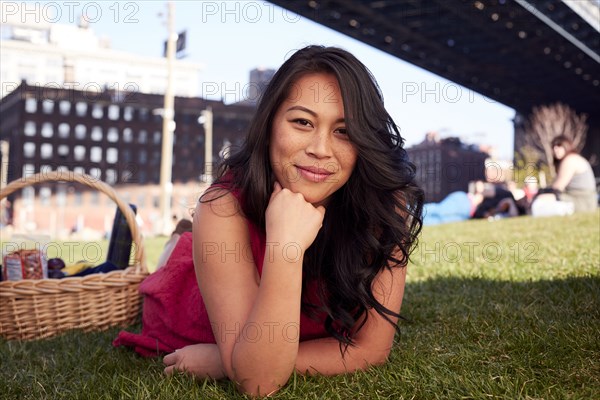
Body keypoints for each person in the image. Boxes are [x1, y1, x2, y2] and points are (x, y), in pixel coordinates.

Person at [162, 45, 423, 396]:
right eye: (302, 122)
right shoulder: (223, 206)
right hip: (197, 296)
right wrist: (285, 247)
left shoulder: (384, 208)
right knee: (180, 255)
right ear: (270, 123)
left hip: (243, 334)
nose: (320, 148)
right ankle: (177, 246)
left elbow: (371, 349)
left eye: (343, 131)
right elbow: (259, 385)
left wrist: (228, 362)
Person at [550, 135, 597, 212]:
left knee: (544, 200)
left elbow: (558, 187)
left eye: (559, 146)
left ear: (566, 146)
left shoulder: (570, 160)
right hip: (586, 201)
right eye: (553, 147)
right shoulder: (574, 158)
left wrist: (540, 193)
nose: (555, 149)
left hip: (581, 201)